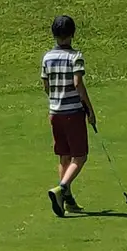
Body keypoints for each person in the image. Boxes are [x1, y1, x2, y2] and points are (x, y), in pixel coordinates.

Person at [41, 14, 95, 217]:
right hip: (73, 112)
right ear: (72, 34)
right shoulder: (75, 56)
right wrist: (89, 109)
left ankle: (67, 200)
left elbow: (46, 85)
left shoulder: (47, 57)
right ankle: (61, 189)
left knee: (64, 156)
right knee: (80, 156)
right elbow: (78, 84)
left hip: (54, 112)